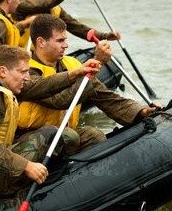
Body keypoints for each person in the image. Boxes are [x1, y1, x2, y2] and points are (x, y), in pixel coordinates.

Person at [0, 45, 99, 204]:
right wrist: (26, 166)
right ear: (3, 71)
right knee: (52, 134)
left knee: (43, 135)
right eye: (23, 72)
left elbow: (41, 85)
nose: (27, 77)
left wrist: (74, 73)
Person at [17, 14, 158, 154]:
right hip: (30, 138)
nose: (66, 45)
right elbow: (60, 100)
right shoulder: (24, 72)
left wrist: (141, 111)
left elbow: (106, 97)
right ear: (41, 42)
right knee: (68, 136)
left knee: (94, 136)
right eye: (60, 41)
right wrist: (98, 62)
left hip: (62, 134)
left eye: (65, 40)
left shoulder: (72, 64)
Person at [12, 0, 120, 49]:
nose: (53, 3)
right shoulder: (22, 4)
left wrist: (104, 35)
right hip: (21, 53)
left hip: (45, 55)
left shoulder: (56, 10)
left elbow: (77, 27)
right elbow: (44, 3)